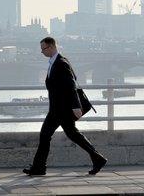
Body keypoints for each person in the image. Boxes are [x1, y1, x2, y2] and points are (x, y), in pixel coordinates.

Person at [23, 37, 107, 176]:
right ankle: (98, 158)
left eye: (43, 49)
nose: (42, 52)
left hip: (61, 109)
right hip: (57, 108)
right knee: (71, 135)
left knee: (47, 135)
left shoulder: (61, 62)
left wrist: (76, 106)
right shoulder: (56, 61)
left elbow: (71, 84)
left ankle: (39, 168)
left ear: (51, 47)